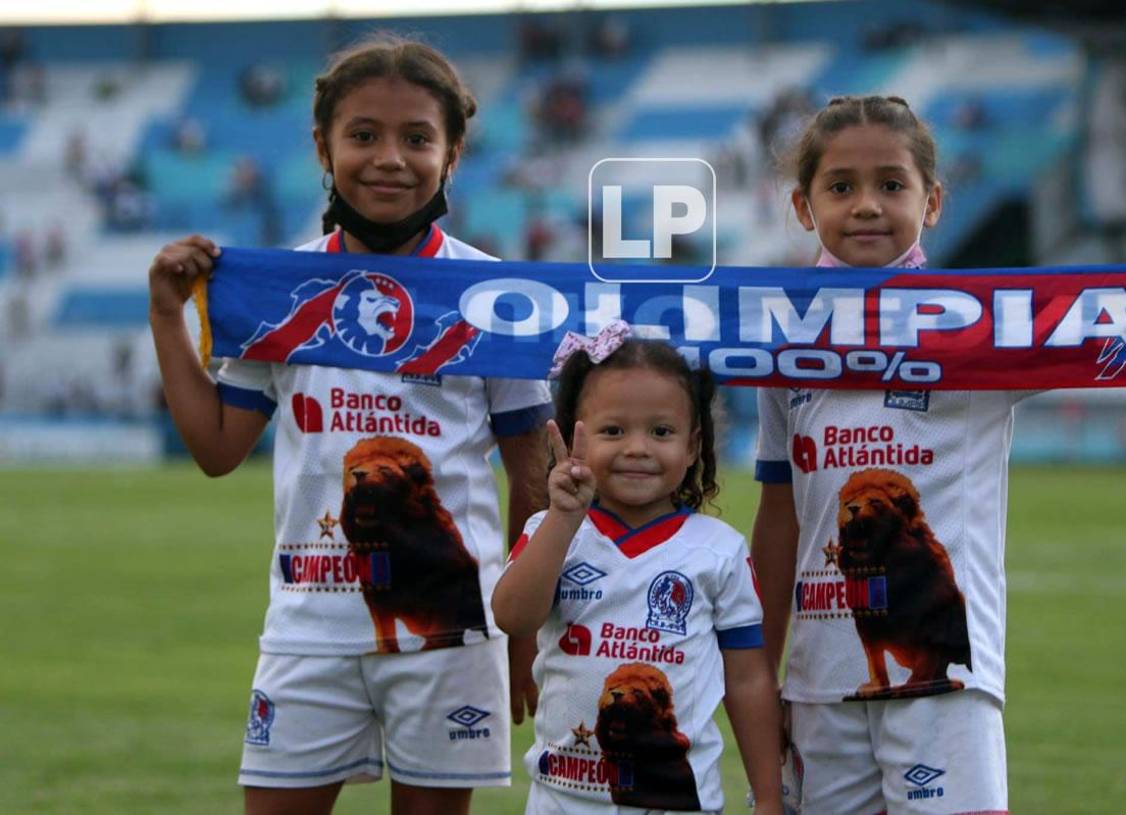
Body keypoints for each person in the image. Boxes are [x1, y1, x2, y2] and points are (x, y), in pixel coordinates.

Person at [147, 35, 551, 815]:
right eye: (363, 135)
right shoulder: (279, 290)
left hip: (451, 631)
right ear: (323, 148)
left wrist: (522, 637)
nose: (389, 158)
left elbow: (530, 477)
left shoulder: (495, 298)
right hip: (309, 628)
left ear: (454, 153)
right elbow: (217, 448)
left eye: (417, 138)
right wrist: (169, 316)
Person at [752, 95, 1017, 814]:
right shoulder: (782, 341)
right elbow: (778, 518)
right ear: (803, 207)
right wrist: (757, 672)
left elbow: (1111, 335)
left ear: (931, 202)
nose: (867, 205)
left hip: (944, 681)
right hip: (820, 683)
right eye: (840, 187)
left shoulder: (982, 327)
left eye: (891, 185)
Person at [493, 327, 785, 815]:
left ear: (693, 446)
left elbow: (749, 680)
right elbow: (513, 617)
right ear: (571, 436)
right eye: (613, 431)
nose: (637, 448)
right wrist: (565, 518)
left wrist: (770, 797)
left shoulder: (718, 550)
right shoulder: (551, 529)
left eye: (661, 432)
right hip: (561, 802)